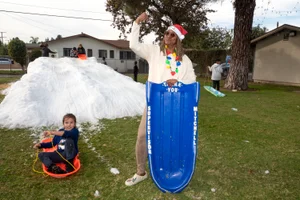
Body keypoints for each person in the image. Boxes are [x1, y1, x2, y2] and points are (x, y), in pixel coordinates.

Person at [125, 12, 196, 186]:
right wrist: (137, 23)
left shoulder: (184, 60)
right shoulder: (154, 51)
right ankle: (141, 172)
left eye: (172, 35)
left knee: (171, 137)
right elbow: (133, 44)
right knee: (142, 135)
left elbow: (191, 81)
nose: (167, 36)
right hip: (154, 103)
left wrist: (177, 81)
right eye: (166, 33)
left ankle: (170, 168)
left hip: (175, 106)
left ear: (177, 40)